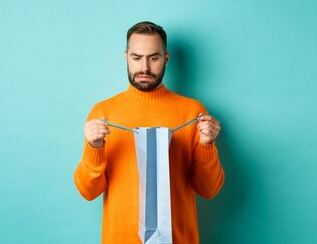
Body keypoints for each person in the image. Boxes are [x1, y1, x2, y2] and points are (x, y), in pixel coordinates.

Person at [73, 21, 224, 243]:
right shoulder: (103, 112)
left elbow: (208, 190)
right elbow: (88, 191)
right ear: (126, 57)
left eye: (153, 58)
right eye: (136, 58)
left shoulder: (193, 113)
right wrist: (94, 148)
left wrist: (207, 145)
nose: (144, 67)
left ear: (166, 58)